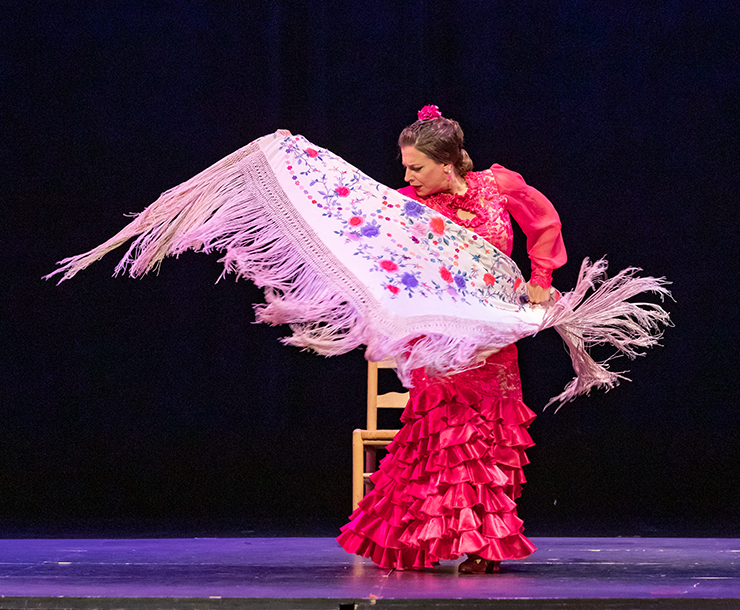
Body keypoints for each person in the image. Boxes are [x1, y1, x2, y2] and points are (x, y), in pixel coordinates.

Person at [336, 105, 567, 573]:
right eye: (405, 167)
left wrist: (540, 275)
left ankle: (484, 544)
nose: (408, 175)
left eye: (416, 167)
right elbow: (359, 238)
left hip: (494, 339)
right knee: (443, 436)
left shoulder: (497, 186)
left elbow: (544, 223)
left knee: (491, 435)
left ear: (447, 163)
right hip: (442, 340)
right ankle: (417, 538)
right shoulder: (407, 206)